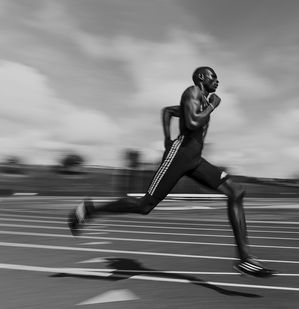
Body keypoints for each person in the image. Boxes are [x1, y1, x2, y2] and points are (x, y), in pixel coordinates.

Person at [68, 66, 276, 278]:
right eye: (214, 77)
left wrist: (167, 137)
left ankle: (245, 259)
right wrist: (211, 107)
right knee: (145, 205)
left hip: (194, 160)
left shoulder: (200, 99)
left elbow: (167, 111)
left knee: (236, 191)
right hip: (179, 157)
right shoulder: (192, 93)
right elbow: (194, 122)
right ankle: (89, 210)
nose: (217, 81)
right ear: (202, 78)